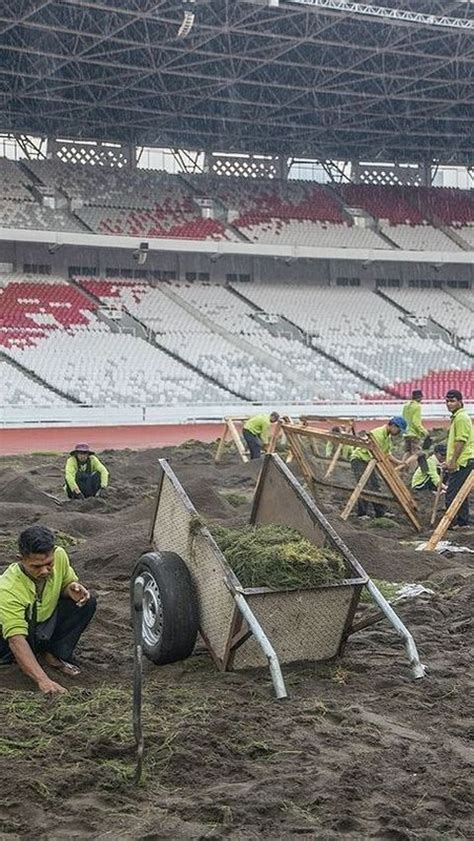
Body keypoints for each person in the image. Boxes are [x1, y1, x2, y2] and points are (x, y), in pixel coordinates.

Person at [0, 525, 96, 694]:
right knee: (11, 650)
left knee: (87, 602)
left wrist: (71, 589)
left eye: (49, 564)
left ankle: (52, 654)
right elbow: (16, 638)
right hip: (9, 636)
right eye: (36, 566)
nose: (45, 570)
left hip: (42, 624)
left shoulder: (59, 555)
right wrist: (43, 680)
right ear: (20, 559)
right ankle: (21, 660)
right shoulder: (8, 588)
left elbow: (67, 582)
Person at [350, 416, 407, 518]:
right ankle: (362, 514)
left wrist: (399, 462)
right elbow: (376, 454)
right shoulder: (378, 434)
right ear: (393, 425)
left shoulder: (387, 437)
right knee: (364, 485)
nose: (399, 433)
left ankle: (380, 512)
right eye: (398, 430)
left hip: (369, 460)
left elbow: (386, 454)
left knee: (375, 486)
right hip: (360, 459)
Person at [444, 390, 474, 528]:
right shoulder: (458, 417)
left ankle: (451, 522)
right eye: (447, 401)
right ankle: (463, 522)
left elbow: (460, 441)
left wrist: (453, 461)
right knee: (461, 492)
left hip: (463, 461)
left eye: (452, 401)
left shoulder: (461, 418)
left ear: (460, 402)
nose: (449, 404)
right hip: (463, 460)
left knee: (452, 492)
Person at [402, 390, 431, 462]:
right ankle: (411, 470)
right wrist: (424, 432)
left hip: (406, 433)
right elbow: (416, 422)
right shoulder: (417, 407)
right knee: (416, 454)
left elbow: (403, 418)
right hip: (414, 434)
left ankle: (401, 469)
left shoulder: (406, 406)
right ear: (419, 397)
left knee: (407, 452)